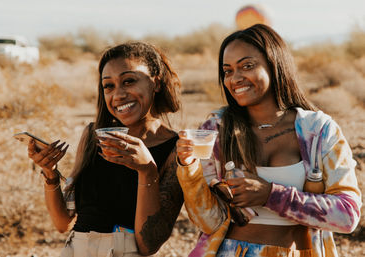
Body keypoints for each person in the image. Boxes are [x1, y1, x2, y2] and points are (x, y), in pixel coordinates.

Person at [176, 24, 361, 257]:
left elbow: (347, 216)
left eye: (247, 66)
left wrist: (271, 195)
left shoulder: (318, 131)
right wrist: (188, 168)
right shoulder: (217, 129)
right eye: (228, 70)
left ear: (275, 65)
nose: (236, 78)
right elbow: (208, 222)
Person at [27, 42, 184, 256]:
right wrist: (50, 173)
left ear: (156, 82)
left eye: (129, 81)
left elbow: (148, 245)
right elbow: (63, 223)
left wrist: (147, 170)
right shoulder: (92, 136)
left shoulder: (176, 149)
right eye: (108, 86)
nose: (118, 95)